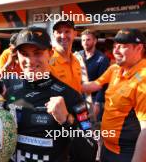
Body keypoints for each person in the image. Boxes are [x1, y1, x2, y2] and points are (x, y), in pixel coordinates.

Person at [5, 27, 95, 162]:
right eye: (24, 54)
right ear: (17, 56)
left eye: (37, 53)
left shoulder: (70, 96)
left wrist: (67, 121)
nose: (30, 61)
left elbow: (90, 153)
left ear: (51, 53)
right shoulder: (11, 92)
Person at [82, 28, 146, 162]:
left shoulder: (144, 77)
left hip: (127, 153)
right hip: (106, 147)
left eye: (122, 46)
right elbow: (93, 85)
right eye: (115, 46)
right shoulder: (115, 69)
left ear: (139, 48)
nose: (115, 51)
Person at [80, 29, 110, 119]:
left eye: (88, 40)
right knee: (80, 127)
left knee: (93, 127)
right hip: (78, 98)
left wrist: (97, 103)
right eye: (83, 40)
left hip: (93, 99)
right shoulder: (77, 56)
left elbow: (103, 83)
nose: (85, 42)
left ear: (95, 41)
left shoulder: (102, 59)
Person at [49, 20, 82, 93]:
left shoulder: (76, 60)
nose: (63, 36)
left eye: (67, 31)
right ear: (54, 35)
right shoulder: (50, 60)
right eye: (59, 32)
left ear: (75, 34)